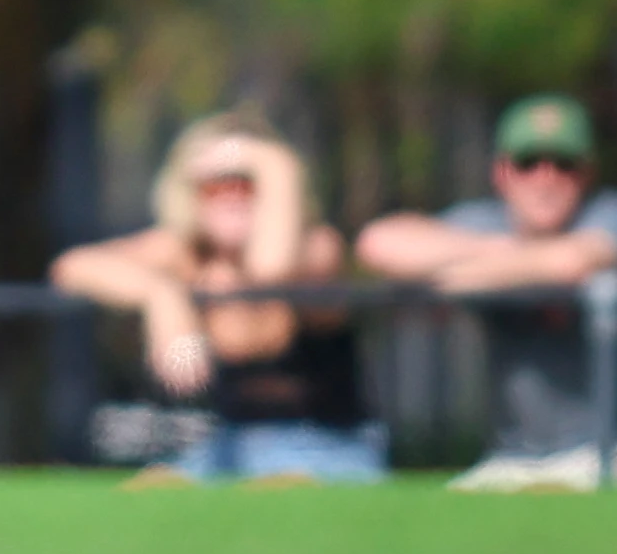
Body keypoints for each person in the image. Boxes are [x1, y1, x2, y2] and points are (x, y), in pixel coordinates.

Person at [52, 112, 385, 483]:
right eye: (215, 184)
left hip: (328, 448)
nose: (232, 196)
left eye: (247, 182)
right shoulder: (186, 254)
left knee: (284, 493)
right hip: (227, 447)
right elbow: (73, 268)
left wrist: (275, 163)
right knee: (153, 490)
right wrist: (162, 297)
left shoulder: (317, 247)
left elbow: (270, 270)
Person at [357, 94, 617, 491]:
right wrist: (504, 254)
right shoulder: (489, 224)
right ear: (502, 173)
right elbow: (379, 244)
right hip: (513, 458)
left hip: (605, 454)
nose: (545, 179)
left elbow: (571, 261)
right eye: (529, 164)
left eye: (563, 165)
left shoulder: (604, 213)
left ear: (586, 174)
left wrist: (452, 274)